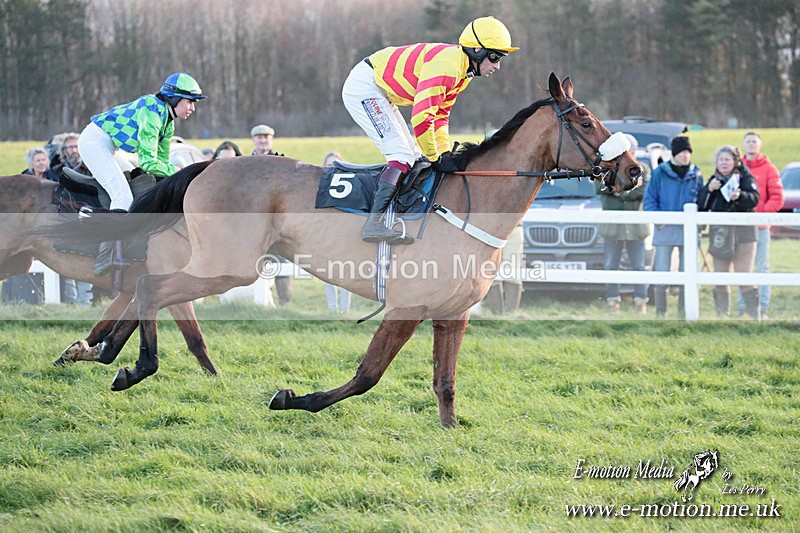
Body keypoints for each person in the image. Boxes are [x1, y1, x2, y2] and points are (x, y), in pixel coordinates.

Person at [342, 16, 518, 244]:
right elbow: (421, 117)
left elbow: (440, 115)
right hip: (366, 87)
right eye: (494, 57)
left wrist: (444, 153)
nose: (497, 66)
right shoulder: (449, 66)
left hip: (381, 91)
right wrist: (436, 157)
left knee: (414, 156)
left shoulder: (463, 73)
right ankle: (374, 223)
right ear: (476, 50)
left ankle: (394, 216)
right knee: (402, 155)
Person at [78, 72, 207, 276]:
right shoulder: (152, 112)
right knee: (123, 195)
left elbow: (161, 162)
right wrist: (177, 172)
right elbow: (148, 162)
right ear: (174, 98)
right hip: (94, 142)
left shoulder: (168, 122)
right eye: (190, 101)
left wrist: (173, 174)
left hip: (112, 146)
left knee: (138, 184)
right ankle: (106, 255)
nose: (193, 108)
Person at [643, 136, 704, 318]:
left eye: (688, 152)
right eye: (682, 152)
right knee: (662, 271)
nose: (685, 156)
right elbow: (650, 199)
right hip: (665, 229)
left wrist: (699, 224)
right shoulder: (660, 172)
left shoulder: (696, 174)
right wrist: (659, 220)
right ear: (675, 154)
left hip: (689, 231)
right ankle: (661, 314)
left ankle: (683, 313)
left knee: (688, 271)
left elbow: (702, 200)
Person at [697, 146, 760, 319]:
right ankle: (722, 316)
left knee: (744, 274)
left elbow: (755, 199)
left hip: (744, 234)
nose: (724, 163)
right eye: (721, 160)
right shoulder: (713, 180)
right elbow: (701, 205)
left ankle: (755, 316)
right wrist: (709, 190)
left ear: (735, 161)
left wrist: (740, 197)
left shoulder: (745, 177)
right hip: (720, 234)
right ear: (717, 162)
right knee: (720, 276)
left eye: (727, 159)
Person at [595, 134, 650, 315]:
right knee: (611, 265)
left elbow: (643, 191)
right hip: (612, 227)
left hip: (636, 227)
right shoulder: (606, 168)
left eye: (631, 149)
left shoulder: (644, 169)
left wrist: (618, 190)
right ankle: (612, 302)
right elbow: (600, 188)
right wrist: (628, 188)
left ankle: (640, 301)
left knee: (639, 266)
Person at [44, 133, 93, 306]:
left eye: (75, 146)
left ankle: (84, 304)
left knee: (84, 260)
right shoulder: (55, 171)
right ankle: (71, 305)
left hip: (85, 220)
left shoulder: (91, 168)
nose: (73, 150)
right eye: (69, 147)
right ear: (63, 151)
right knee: (64, 261)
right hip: (62, 219)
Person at [738, 132, 783, 319]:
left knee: (761, 266)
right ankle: (744, 308)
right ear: (743, 145)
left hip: (761, 227)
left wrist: (761, 214)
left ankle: (762, 307)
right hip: (741, 227)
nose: (751, 144)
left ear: (759, 145)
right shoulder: (737, 167)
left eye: (754, 141)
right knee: (742, 268)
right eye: (747, 141)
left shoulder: (769, 169)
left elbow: (777, 197)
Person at [3, 147, 51, 304]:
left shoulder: (53, 177)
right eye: (38, 160)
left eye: (43, 160)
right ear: (32, 164)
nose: (41, 163)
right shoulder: (24, 181)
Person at [321, 152, 352, 314]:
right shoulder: (320, 187)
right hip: (327, 237)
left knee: (346, 275)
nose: (332, 168)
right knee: (328, 276)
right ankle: (333, 309)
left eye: (336, 164)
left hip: (344, 236)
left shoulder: (351, 187)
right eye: (329, 165)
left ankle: (345, 310)